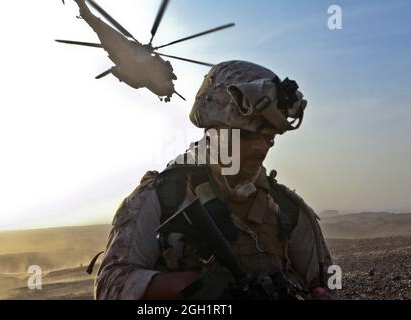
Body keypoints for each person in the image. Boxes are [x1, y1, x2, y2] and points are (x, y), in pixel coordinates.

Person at [94, 61, 335, 300]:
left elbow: (324, 285)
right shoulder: (163, 197)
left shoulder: (288, 208)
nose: (261, 147)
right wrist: (184, 286)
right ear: (213, 129)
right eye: (247, 134)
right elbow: (109, 286)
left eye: (269, 137)